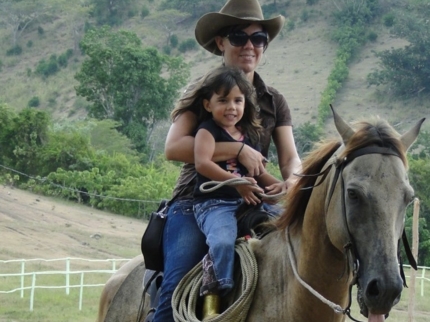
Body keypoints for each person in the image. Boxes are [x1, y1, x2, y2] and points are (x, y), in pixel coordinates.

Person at [151, 0, 302, 321]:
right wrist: (236, 150)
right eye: (238, 36)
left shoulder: (274, 100)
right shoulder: (206, 90)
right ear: (221, 42)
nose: (250, 45)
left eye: (258, 38)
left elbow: (290, 158)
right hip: (197, 202)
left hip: (252, 201)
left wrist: (292, 180)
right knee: (175, 290)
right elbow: (174, 147)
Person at [190, 66, 282, 319]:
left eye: (237, 101)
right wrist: (236, 183)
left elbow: (258, 172)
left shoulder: (250, 134)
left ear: (245, 104)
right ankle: (220, 289)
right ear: (208, 105)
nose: (231, 107)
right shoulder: (207, 131)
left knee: (289, 221)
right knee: (221, 240)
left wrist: (282, 187)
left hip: (248, 200)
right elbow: (203, 163)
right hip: (215, 203)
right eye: (223, 101)